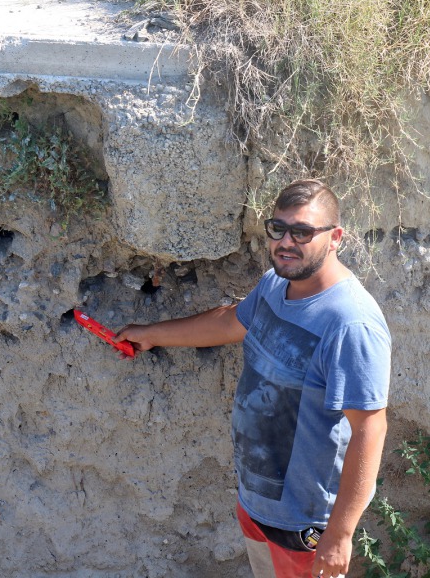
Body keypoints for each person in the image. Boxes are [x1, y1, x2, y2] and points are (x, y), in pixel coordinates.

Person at [114, 179, 391, 578]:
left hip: (302, 522)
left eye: (303, 232)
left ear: (336, 238)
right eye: (277, 229)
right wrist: (151, 333)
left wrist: (340, 533)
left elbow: (370, 429)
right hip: (256, 502)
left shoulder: (351, 324)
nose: (286, 242)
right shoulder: (278, 283)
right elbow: (232, 320)